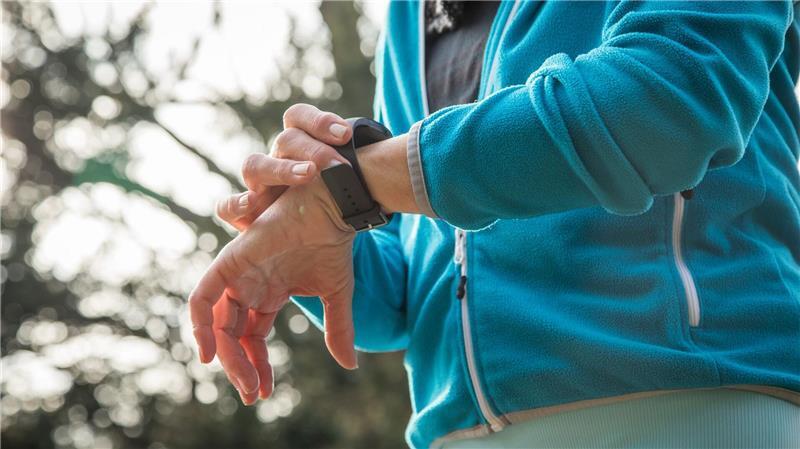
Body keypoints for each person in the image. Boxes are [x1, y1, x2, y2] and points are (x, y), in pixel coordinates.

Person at [189, 1, 800, 447]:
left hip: (693, 408)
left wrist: (361, 182)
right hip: (456, 435)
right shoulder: (410, 15)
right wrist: (310, 228)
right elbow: (411, 289)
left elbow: (670, 99)